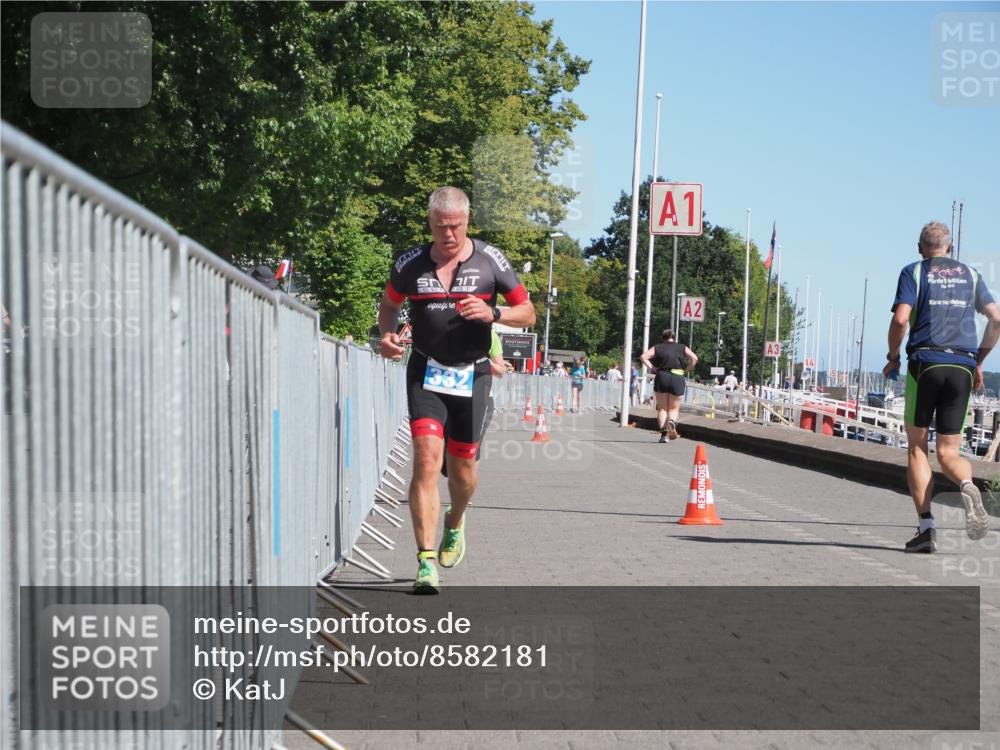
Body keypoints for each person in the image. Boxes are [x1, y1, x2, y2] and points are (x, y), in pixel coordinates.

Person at [378, 187, 536, 592]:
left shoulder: (490, 261)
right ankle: (425, 561)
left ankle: (456, 519)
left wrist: (494, 312)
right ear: (429, 222)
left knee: (462, 472)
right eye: (440, 227)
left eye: (456, 227)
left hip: (474, 373)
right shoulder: (409, 263)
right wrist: (387, 335)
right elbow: (390, 306)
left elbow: (528, 312)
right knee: (427, 462)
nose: (448, 235)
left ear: (467, 221)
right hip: (426, 370)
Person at [884, 221, 999, 553]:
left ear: (921, 248)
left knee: (918, 448)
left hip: (926, 363)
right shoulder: (971, 275)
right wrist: (978, 360)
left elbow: (901, 319)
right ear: (949, 249)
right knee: (949, 452)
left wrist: (893, 356)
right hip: (962, 366)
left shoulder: (914, 272)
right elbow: (996, 318)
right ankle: (965, 484)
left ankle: (926, 529)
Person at [640, 329, 698, 442]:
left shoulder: (658, 347)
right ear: (674, 338)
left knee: (662, 408)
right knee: (673, 408)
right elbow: (695, 358)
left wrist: (653, 368)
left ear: (663, 338)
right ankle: (672, 422)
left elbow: (643, 357)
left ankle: (663, 435)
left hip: (662, 376)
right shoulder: (682, 347)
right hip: (677, 376)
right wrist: (686, 370)